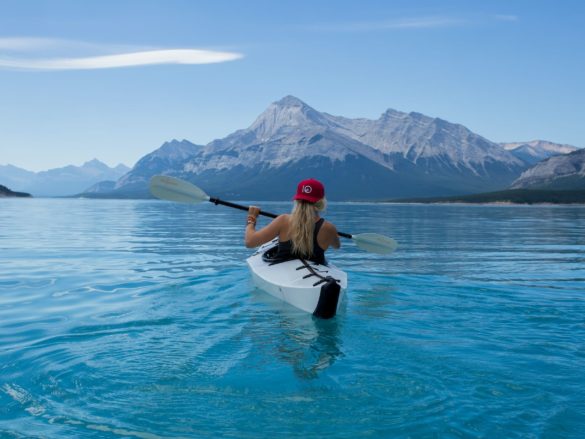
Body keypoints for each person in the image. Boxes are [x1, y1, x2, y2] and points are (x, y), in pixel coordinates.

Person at [244, 178, 340, 265]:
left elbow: (250, 242)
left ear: (297, 200)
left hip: (282, 272)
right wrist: (333, 234)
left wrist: (251, 219)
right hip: (317, 274)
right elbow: (336, 246)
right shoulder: (329, 228)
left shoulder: (283, 220)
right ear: (321, 201)